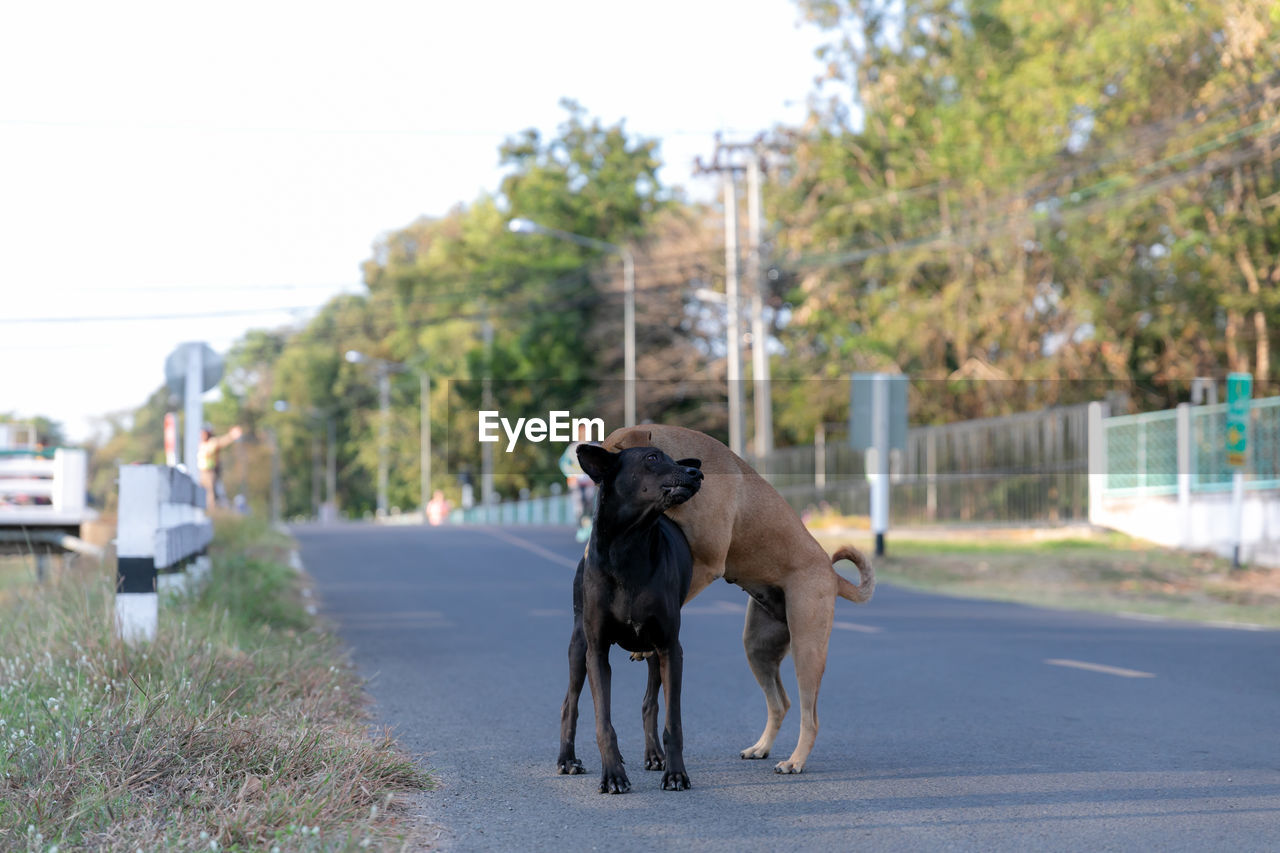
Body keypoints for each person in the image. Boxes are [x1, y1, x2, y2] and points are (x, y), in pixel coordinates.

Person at [558, 423, 597, 542]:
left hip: (590, 480)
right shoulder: (572, 448)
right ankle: (581, 527)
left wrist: (596, 476)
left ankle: (589, 527)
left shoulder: (595, 446)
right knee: (579, 505)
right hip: (576, 481)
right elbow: (563, 463)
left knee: (590, 503)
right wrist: (570, 476)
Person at [198, 423, 243, 510]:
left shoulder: (212, 443)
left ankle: (210, 511)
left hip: (208, 472)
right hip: (198, 472)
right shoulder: (197, 443)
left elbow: (222, 441)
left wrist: (231, 436)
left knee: (209, 494)